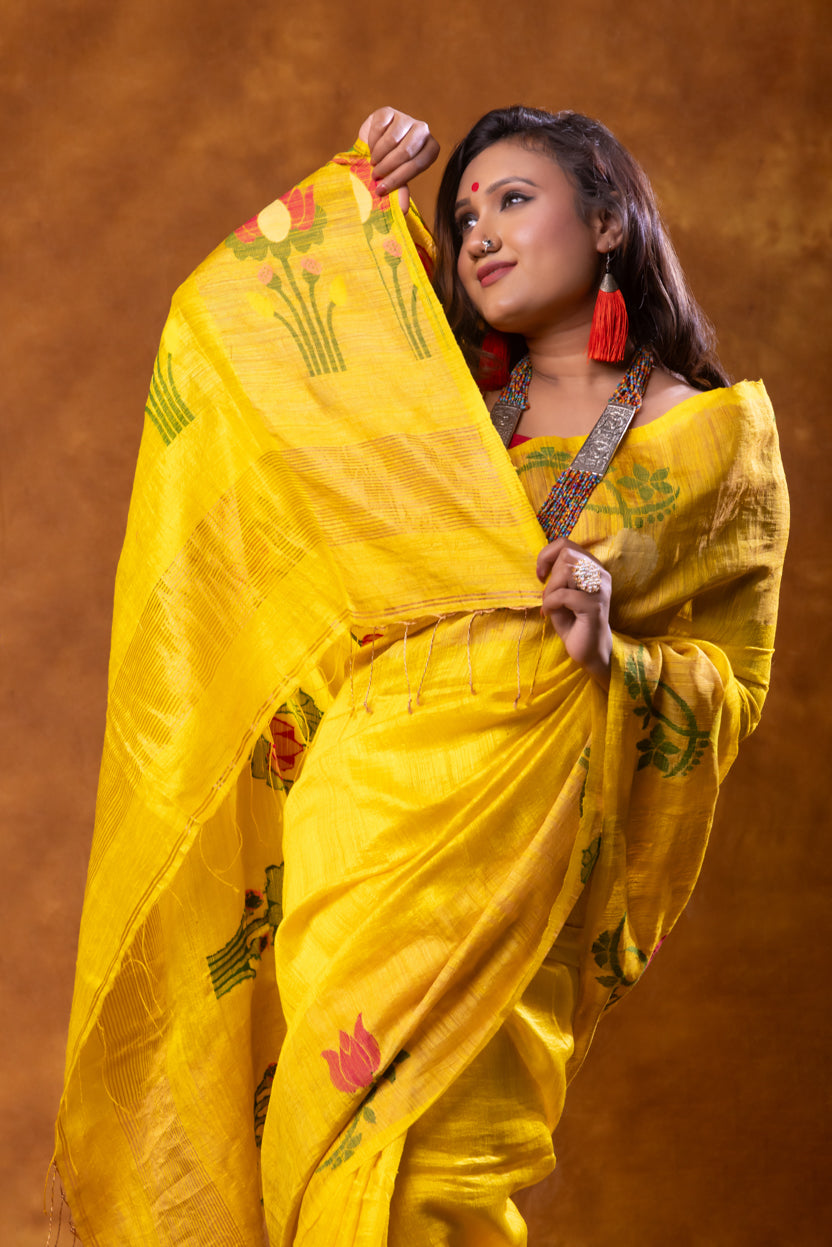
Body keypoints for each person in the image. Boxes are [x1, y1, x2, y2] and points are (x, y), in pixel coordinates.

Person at [52, 105, 788, 1246]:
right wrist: (348, 191)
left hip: (517, 835)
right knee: (317, 1162)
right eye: (464, 212)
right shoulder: (427, 408)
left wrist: (614, 653)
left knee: (432, 1181)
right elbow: (218, 334)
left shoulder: (708, 440)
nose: (481, 231)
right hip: (361, 822)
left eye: (513, 199)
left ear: (605, 222)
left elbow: (730, 692)